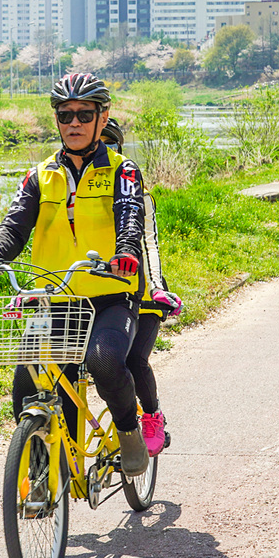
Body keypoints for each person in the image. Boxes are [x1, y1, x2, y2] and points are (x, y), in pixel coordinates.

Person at [0, 73, 154, 475]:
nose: (75, 123)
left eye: (85, 114)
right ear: (56, 119)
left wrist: (125, 253)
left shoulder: (123, 171)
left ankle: (128, 431)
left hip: (110, 295)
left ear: (103, 118)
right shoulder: (40, 175)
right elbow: (15, 225)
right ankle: (42, 466)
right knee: (27, 378)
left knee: (104, 361)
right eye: (65, 114)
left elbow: (130, 217)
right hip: (55, 297)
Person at [101, 117, 180, 458]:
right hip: (94, 292)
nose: (102, 149)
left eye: (110, 143)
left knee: (134, 359)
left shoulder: (137, 193)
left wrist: (157, 287)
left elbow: (149, 243)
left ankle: (151, 416)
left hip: (141, 290)